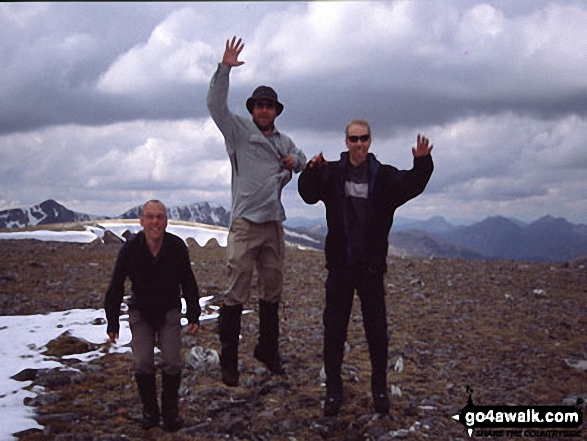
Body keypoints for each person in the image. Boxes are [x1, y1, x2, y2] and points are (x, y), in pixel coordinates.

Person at [298, 120, 434, 416]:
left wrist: (423, 163)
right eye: (353, 139)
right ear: (346, 141)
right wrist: (311, 171)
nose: (358, 144)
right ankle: (333, 391)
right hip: (339, 268)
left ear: (370, 141)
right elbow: (307, 194)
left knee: (377, 333)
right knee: (334, 331)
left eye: (363, 139)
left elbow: (412, 183)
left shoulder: (383, 177)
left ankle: (380, 390)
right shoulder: (332, 173)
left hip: (371, 269)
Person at [207, 36, 307, 387]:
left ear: (276, 111)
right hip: (245, 224)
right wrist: (224, 70)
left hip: (273, 226)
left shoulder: (284, 142)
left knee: (272, 290)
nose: (265, 110)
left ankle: (267, 349)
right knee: (236, 291)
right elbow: (215, 105)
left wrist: (298, 162)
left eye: (270, 106)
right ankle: (229, 361)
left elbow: (303, 160)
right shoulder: (237, 129)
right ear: (252, 109)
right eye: (259, 105)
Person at [104, 200, 201, 431]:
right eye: (150, 217)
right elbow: (116, 285)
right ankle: (150, 412)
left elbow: (188, 282)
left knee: (172, 361)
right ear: (142, 221)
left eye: (159, 217)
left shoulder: (177, 247)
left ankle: (170, 412)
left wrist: (193, 315)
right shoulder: (130, 249)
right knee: (143, 362)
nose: (155, 222)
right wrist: (112, 321)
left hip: (169, 310)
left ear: (166, 221)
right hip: (141, 311)